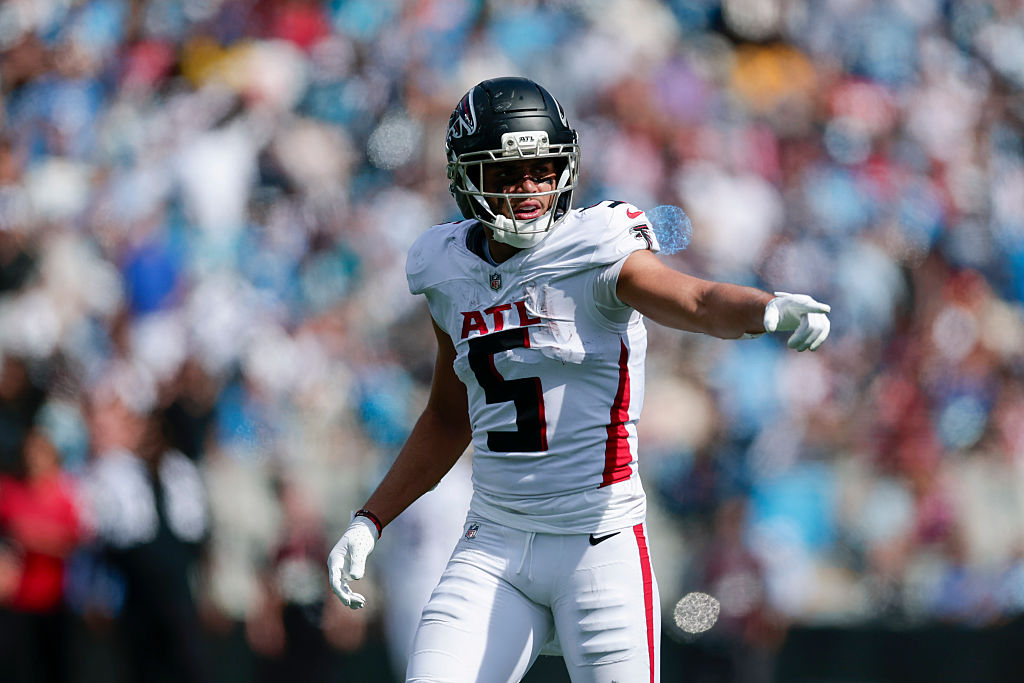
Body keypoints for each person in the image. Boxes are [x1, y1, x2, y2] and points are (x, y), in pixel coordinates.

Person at [328, 76, 831, 682]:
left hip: (600, 544)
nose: (531, 188)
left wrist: (763, 308)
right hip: (494, 544)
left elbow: (695, 300)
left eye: (542, 169)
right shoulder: (445, 267)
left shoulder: (594, 247)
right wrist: (370, 518)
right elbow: (449, 414)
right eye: (509, 174)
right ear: (466, 178)